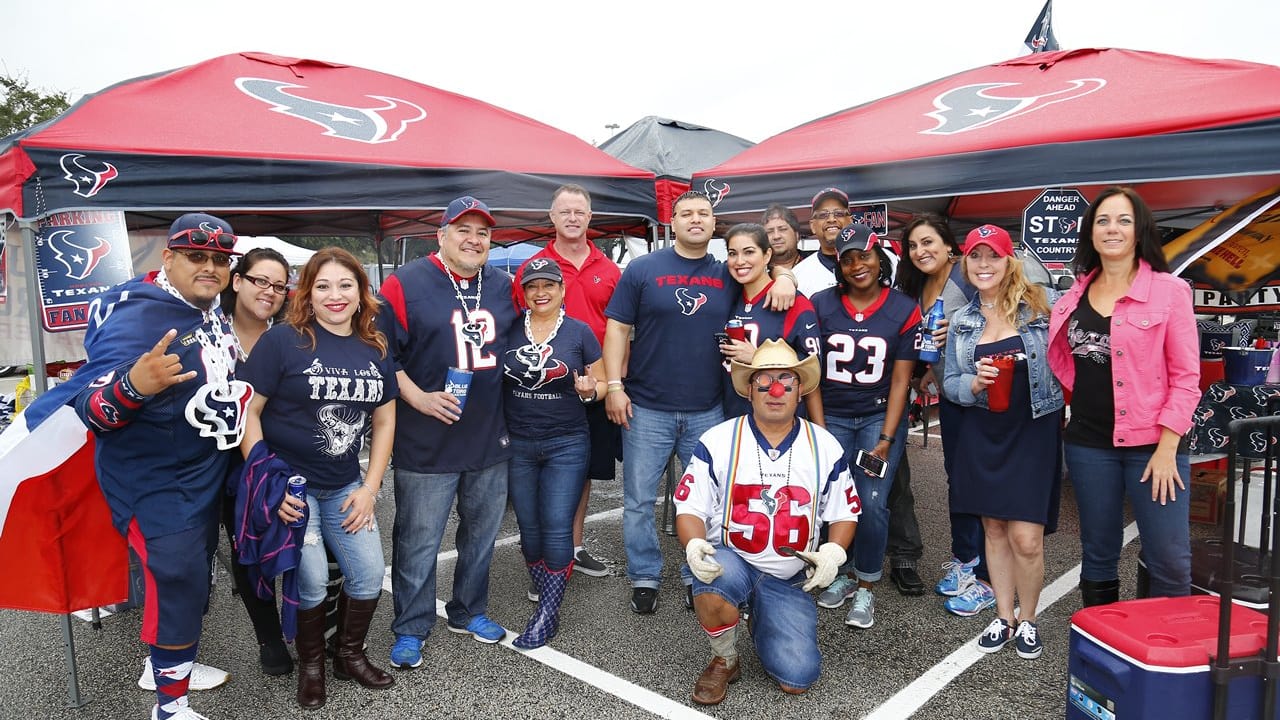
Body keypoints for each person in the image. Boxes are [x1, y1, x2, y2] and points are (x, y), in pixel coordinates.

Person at [66, 213, 252, 720]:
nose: (210, 267)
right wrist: (134, 385)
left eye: (219, 259)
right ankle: (170, 707)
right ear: (168, 257)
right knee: (178, 578)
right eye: (197, 256)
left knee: (190, 579)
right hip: (156, 480)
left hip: (205, 465)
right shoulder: (138, 315)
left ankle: (165, 665)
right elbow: (92, 410)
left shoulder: (207, 306)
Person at [603, 190, 796, 615]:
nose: (695, 219)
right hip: (646, 405)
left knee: (707, 501)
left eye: (703, 213)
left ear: (713, 224)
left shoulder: (727, 272)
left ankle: (699, 575)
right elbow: (617, 328)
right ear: (672, 223)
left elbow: (765, 267)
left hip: (708, 408)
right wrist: (614, 385)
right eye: (686, 213)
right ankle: (645, 576)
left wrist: (787, 277)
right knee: (637, 500)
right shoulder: (641, 269)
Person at [240, 248, 397, 707]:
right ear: (307, 292)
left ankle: (347, 655)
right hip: (293, 488)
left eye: (345, 285)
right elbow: (250, 413)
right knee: (309, 580)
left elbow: (385, 422)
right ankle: (311, 668)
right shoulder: (283, 341)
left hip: (347, 486)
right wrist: (267, 480)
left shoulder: (376, 347)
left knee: (368, 575)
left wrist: (370, 488)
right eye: (323, 286)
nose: (335, 295)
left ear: (361, 292)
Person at [378, 196, 520, 668]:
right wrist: (416, 396)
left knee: (481, 537)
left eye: (482, 232)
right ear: (441, 236)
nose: (473, 239)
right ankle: (411, 626)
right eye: (463, 230)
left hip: (488, 435)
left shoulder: (503, 286)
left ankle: (468, 609)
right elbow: (380, 352)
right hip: (425, 439)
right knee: (418, 540)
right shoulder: (405, 283)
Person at [676, 340, 859, 703]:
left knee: (798, 678)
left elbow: (844, 512)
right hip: (735, 559)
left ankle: (763, 615)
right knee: (714, 577)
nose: (775, 391)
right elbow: (690, 508)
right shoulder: (718, 439)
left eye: (786, 381)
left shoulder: (825, 445)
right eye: (765, 381)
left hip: (789, 577)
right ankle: (724, 658)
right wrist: (695, 544)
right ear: (748, 389)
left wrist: (834, 553)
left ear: (800, 390)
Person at [1047, 186, 1200, 605]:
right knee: (1098, 551)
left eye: (1123, 220)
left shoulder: (1170, 291)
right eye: (1102, 220)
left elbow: (1187, 377)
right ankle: (1104, 647)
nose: (1112, 229)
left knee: (1169, 556)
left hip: (1155, 445)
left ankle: (1166, 659)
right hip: (1088, 442)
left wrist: (1169, 447)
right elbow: (1063, 363)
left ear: (1139, 232)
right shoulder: (1072, 296)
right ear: (1091, 233)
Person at [943, 225, 1064, 660]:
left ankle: (1029, 619)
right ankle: (1003, 615)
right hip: (982, 430)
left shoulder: (1039, 312)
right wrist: (972, 384)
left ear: (1009, 261)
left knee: (1027, 538)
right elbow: (950, 382)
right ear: (966, 264)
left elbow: (1064, 366)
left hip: (1032, 430)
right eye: (975, 257)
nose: (983, 265)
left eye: (992, 256)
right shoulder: (962, 321)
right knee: (992, 528)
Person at [795, 189, 920, 595]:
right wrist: (819, 429)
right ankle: (841, 573)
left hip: (876, 417)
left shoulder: (903, 307)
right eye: (847, 259)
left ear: (879, 259)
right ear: (840, 266)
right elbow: (810, 370)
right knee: (834, 500)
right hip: (831, 415)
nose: (856, 265)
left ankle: (866, 583)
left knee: (871, 503)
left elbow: (901, 378)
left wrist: (885, 437)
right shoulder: (820, 304)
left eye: (864, 255)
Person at [512, 184, 620, 581]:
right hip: (537, 391)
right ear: (552, 217)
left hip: (593, 388)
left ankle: (571, 549)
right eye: (565, 212)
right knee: (536, 477)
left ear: (590, 217)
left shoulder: (608, 269)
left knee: (583, 471)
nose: (573, 218)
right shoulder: (534, 268)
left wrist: (613, 386)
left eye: (580, 211)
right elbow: (512, 323)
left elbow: (619, 330)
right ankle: (544, 555)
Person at [503, 258, 607, 648]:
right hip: (518, 442)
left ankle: (548, 612)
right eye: (532, 286)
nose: (540, 292)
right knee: (528, 527)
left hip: (566, 442)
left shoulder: (580, 332)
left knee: (557, 523)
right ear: (524, 292)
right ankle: (545, 580)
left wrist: (588, 391)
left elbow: (600, 387)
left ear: (562, 290)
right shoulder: (509, 329)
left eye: (548, 285)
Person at [894, 214, 994, 616]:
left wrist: (961, 327)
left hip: (984, 393)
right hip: (950, 391)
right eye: (914, 245)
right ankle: (965, 558)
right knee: (959, 478)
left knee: (981, 480)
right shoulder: (918, 285)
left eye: (929, 242)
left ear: (949, 245)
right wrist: (923, 374)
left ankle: (987, 572)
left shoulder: (969, 276)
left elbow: (1001, 319)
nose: (922, 251)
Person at [213, 247, 296, 676]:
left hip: (285, 458)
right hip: (224, 466)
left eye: (278, 286)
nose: (269, 292)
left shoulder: (288, 336)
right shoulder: (212, 334)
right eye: (260, 280)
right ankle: (269, 637)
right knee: (247, 549)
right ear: (237, 280)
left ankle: (308, 630)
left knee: (302, 548)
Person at [718, 222, 822, 421]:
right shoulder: (726, 295)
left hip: (781, 421)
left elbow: (812, 369)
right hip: (730, 418)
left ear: (767, 255)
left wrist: (759, 358)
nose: (740, 261)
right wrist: (783, 274)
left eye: (749, 252)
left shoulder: (795, 303)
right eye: (732, 253)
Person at [793, 188, 851, 297]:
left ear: (850, 221)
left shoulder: (879, 262)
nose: (831, 219)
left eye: (838, 213)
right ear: (812, 226)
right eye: (823, 215)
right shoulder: (797, 275)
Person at [761, 204, 806, 270]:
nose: (776, 236)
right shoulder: (756, 269)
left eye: (782, 229)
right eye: (769, 232)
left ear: (797, 235)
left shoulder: (816, 263)